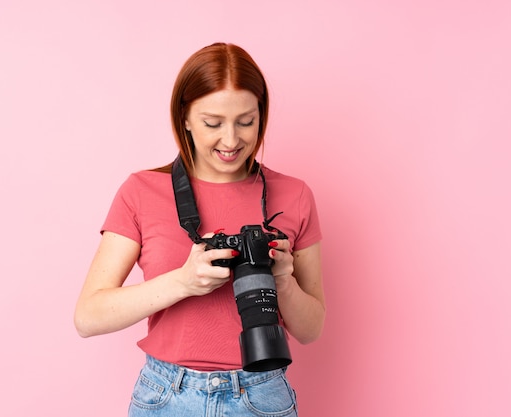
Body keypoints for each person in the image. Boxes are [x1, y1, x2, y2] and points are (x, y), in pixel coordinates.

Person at [74, 42, 326, 416]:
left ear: (262, 115)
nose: (231, 140)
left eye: (246, 121)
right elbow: (88, 317)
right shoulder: (141, 191)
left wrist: (285, 280)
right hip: (165, 395)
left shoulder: (294, 194)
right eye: (212, 123)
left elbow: (311, 329)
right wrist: (184, 281)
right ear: (185, 118)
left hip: (261, 394)